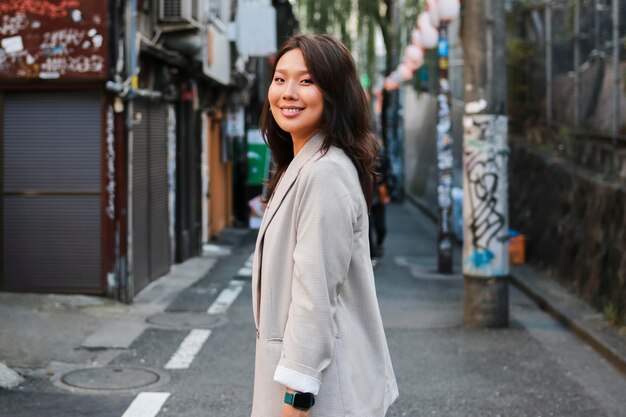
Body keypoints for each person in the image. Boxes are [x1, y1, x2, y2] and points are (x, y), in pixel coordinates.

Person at [251, 34, 398, 417]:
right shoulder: (305, 165)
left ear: (335, 93)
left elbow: (314, 296)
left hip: (322, 394)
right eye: (280, 79)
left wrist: (297, 399)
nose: (288, 93)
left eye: (307, 81)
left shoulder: (324, 173)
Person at [370, 149, 392, 267]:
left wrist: (388, 193)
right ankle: (371, 255)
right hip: (366, 196)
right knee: (367, 229)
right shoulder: (360, 155)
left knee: (380, 227)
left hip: (379, 196)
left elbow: (388, 175)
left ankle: (379, 244)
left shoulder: (382, 156)